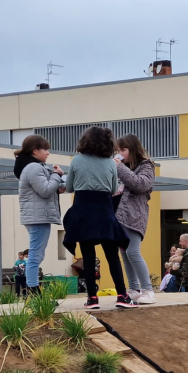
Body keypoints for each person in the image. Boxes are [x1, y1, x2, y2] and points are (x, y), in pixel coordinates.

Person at [62, 126, 133, 310]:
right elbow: (112, 190)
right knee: (112, 256)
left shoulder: (76, 161)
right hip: (103, 212)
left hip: (83, 212)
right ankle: (122, 296)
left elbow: (69, 187)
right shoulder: (110, 163)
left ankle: (92, 298)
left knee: (88, 256)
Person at [18, 135, 65, 297]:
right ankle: (33, 291)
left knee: (37, 253)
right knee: (36, 255)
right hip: (37, 217)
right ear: (35, 150)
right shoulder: (33, 168)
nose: (48, 153)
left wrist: (57, 182)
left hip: (38, 216)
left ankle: (33, 289)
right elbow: (45, 191)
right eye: (45, 149)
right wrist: (56, 175)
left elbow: (46, 189)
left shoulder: (35, 167)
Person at [115, 134, 156, 304]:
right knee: (125, 253)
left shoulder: (146, 166)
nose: (119, 154)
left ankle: (148, 290)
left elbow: (141, 184)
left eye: (123, 150)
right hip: (118, 216)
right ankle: (133, 290)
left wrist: (119, 168)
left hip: (134, 216)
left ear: (132, 149)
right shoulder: (121, 167)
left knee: (133, 252)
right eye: (117, 150)